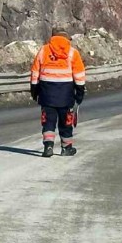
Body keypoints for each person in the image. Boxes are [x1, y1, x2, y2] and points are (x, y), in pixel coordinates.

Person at [30, 29, 86, 157]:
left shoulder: (43, 50)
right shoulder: (72, 53)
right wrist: (80, 93)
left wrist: (34, 90)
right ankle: (66, 148)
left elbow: (35, 72)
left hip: (46, 94)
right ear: (66, 39)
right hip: (66, 95)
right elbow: (79, 75)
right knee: (66, 122)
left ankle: (48, 146)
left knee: (48, 122)